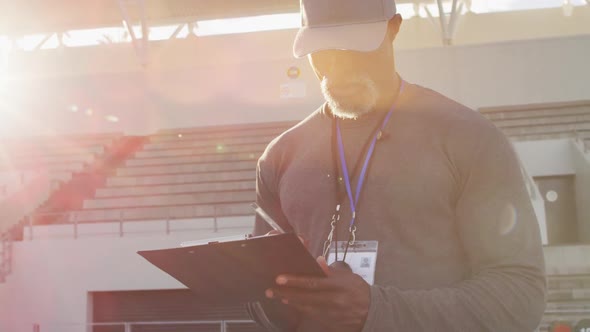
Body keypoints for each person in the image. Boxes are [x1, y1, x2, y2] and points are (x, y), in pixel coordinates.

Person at [249, 0, 547, 331]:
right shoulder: (280, 156)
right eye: (322, 50)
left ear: (394, 28)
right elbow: (261, 305)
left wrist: (377, 310)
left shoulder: (469, 138)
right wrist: (276, 291)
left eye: (354, 47)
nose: (337, 65)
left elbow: (520, 295)